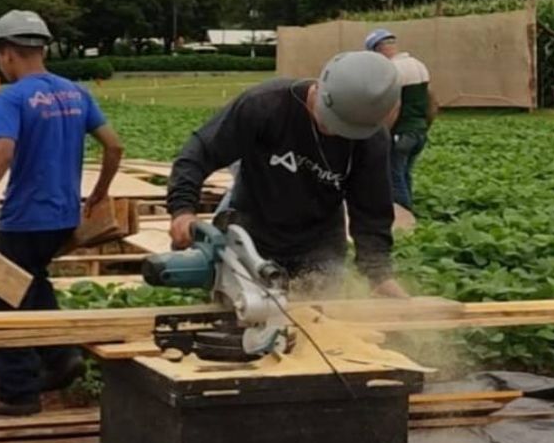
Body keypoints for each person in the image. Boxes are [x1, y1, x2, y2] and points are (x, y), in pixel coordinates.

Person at [0, 10, 124, 416]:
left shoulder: (12, 97)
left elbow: (3, 152)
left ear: (7, 53)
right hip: (63, 218)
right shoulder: (75, 92)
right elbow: (114, 146)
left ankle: (17, 393)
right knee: (33, 282)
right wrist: (98, 194)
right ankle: (61, 357)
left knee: (2, 305)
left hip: (26, 218)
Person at [167, 50, 410, 299]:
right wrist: (183, 209)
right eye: (328, 122)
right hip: (252, 238)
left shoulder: (370, 139)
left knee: (319, 324)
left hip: (320, 245)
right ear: (318, 88)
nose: (333, 133)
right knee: (246, 322)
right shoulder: (265, 105)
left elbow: (372, 211)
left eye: (344, 130)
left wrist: (379, 275)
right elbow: (200, 152)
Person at [365, 29, 438, 212]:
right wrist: (425, 125)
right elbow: (433, 101)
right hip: (418, 131)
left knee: (394, 176)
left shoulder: (392, 69)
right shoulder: (418, 65)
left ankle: (403, 216)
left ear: (378, 50)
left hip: (402, 132)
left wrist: (384, 133)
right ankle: (409, 212)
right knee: (405, 173)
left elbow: (395, 106)